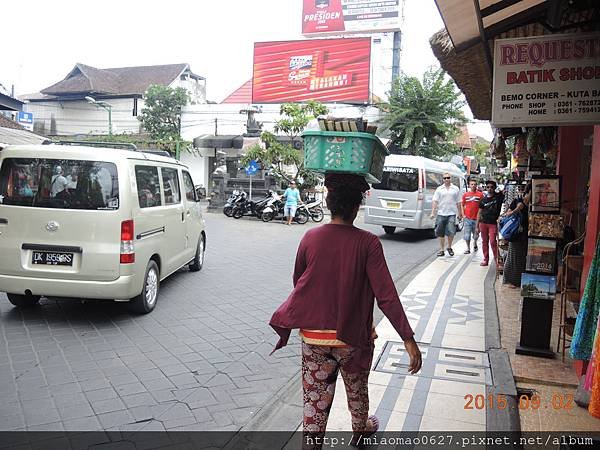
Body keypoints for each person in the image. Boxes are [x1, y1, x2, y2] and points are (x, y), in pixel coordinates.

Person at [269, 173, 421, 443]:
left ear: (329, 204)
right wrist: (408, 339)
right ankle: (360, 428)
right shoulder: (368, 242)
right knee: (357, 389)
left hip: (314, 337)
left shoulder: (310, 237)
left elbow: (299, 281)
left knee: (314, 404)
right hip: (352, 338)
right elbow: (386, 295)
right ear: (355, 207)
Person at [502, 183, 531, 287]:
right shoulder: (519, 201)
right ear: (529, 191)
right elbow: (508, 214)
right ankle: (511, 281)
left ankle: (520, 281)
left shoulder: (534, 204)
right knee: (514, 257)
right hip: (517, 235)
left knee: (523, 258)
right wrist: (517, 210)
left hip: (528, 235)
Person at [430, 173, 463, 257]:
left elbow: (459, 202)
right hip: (441, 213)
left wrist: (460, 213)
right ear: (443, 179)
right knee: (440, 232)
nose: (446, 179)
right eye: (445, 178)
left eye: (448, 178)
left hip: (452, 213)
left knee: (451, 232)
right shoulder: (439, 189)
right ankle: (441, 249)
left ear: (450, 178)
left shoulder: (455, 189)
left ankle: (449, 247)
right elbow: (435, 201)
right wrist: (433, 212)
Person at [477, 180, 504, 267]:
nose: (490, 189)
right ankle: (486, 259)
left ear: (495, 188)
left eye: (492, 187)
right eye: (488, 187)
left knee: (493, 242)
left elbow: (504, 190)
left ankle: (498, 260)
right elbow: (479, 212)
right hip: (483, 223)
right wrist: (477, 226)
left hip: (493, 223)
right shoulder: (483, 200)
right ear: (486, 188)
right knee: (484, 242)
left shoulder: (498, 197)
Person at [462, 179, 484, 254]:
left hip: (477, 218)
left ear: (476, 185)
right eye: (472, 184)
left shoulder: (480, 195)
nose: (473, 185)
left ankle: (475, 242)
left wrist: (481, 216)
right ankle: (468, 248)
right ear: (469, 185)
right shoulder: (465, 195)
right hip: (467, 218)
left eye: (474, 184)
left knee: (476, 234)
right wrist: (463, 215)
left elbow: (483, 206)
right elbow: (462, 205)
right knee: (467, 234)